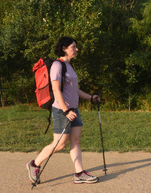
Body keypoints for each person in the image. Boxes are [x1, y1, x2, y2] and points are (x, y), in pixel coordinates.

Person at [26, 37, 101, 184]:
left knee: (76, 140)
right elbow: (56, 89)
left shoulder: (69, 66)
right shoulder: (57, 65)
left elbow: (75, 89)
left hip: (74, 109)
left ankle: (79, 173)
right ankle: (34, 164)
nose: (77, 49)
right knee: (60, 144)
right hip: (62, 110)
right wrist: (66, 110)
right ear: (64, 48)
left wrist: (90, 98)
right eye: (74, 46)